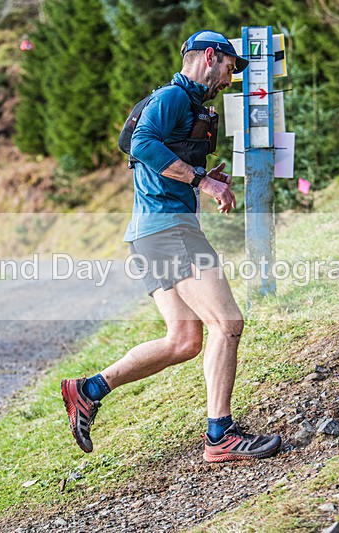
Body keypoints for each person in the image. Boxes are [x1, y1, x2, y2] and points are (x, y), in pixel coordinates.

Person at [61, 30, 282, 463]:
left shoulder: (189, 105)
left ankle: (87, 390)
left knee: (183, 339)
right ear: (211, 57)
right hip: (168, 229)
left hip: (149, 233)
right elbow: (143, 145)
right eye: (229, 69)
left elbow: (161, 154)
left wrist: (204, 175)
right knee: (227, 323)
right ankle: (220, 435)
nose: (228, 79)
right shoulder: (173, 97)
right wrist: (201, 181)